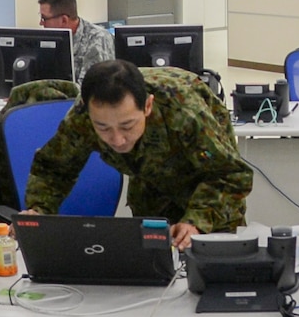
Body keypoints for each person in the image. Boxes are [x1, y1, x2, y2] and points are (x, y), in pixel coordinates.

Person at [24, 59, 249, 249]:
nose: (117, 140)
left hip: (210, 191)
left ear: (147, 106)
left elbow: (231, 176)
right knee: (151, 268)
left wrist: (197, 221)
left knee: (210, 276)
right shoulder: (82, 116)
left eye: (127, 126)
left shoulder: (184, 111)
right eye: (103, 128)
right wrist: (38, 210)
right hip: (149, 185)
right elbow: (53, 167)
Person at [37, 0, 114, 82]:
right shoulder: (51, 39)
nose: (41, 23)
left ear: (64, 20)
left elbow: (90, 87)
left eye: (44, 18)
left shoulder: (98, 39)